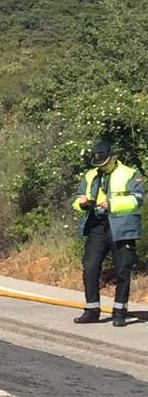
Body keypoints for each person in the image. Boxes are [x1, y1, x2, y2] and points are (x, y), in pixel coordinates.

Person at [72, 137, 144, 327]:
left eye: (104, 163)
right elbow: (78, 197)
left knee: (122, 270)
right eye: (98, 164)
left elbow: (137, 200)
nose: (101, 167)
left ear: (113, 157)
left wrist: (112, 204)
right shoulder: (90, 175)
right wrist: (82, 203)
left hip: (122, 228)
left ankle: (120, 312)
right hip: (97, 226)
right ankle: (92, 309)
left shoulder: (130, 174)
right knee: (90, 267)